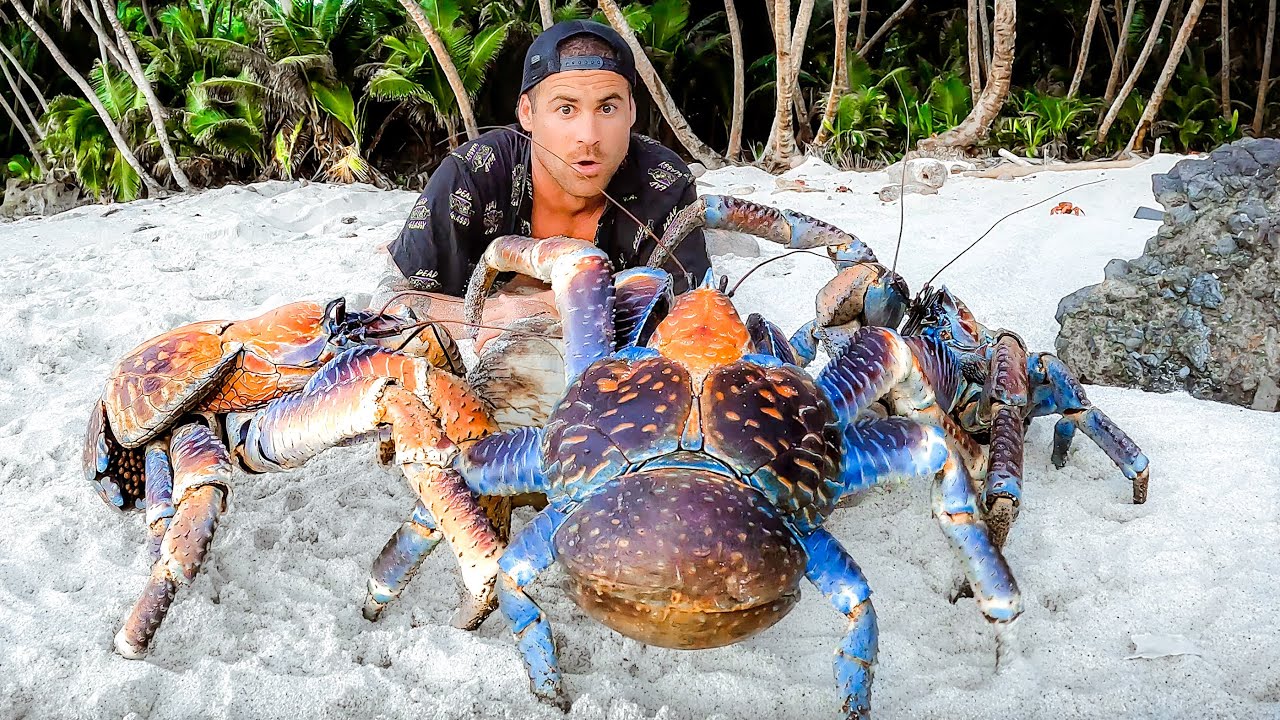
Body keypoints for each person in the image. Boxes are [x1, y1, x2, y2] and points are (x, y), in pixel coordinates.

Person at [373, 19, 713, 427]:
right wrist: (494, 313)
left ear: (632, 112)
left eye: (607, 108)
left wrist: (542, 306)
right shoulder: (474, 174)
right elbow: (389, 306)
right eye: (566, 109)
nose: (588, 136)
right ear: (528, 112)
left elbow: (694, 316)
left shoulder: (664, 182)